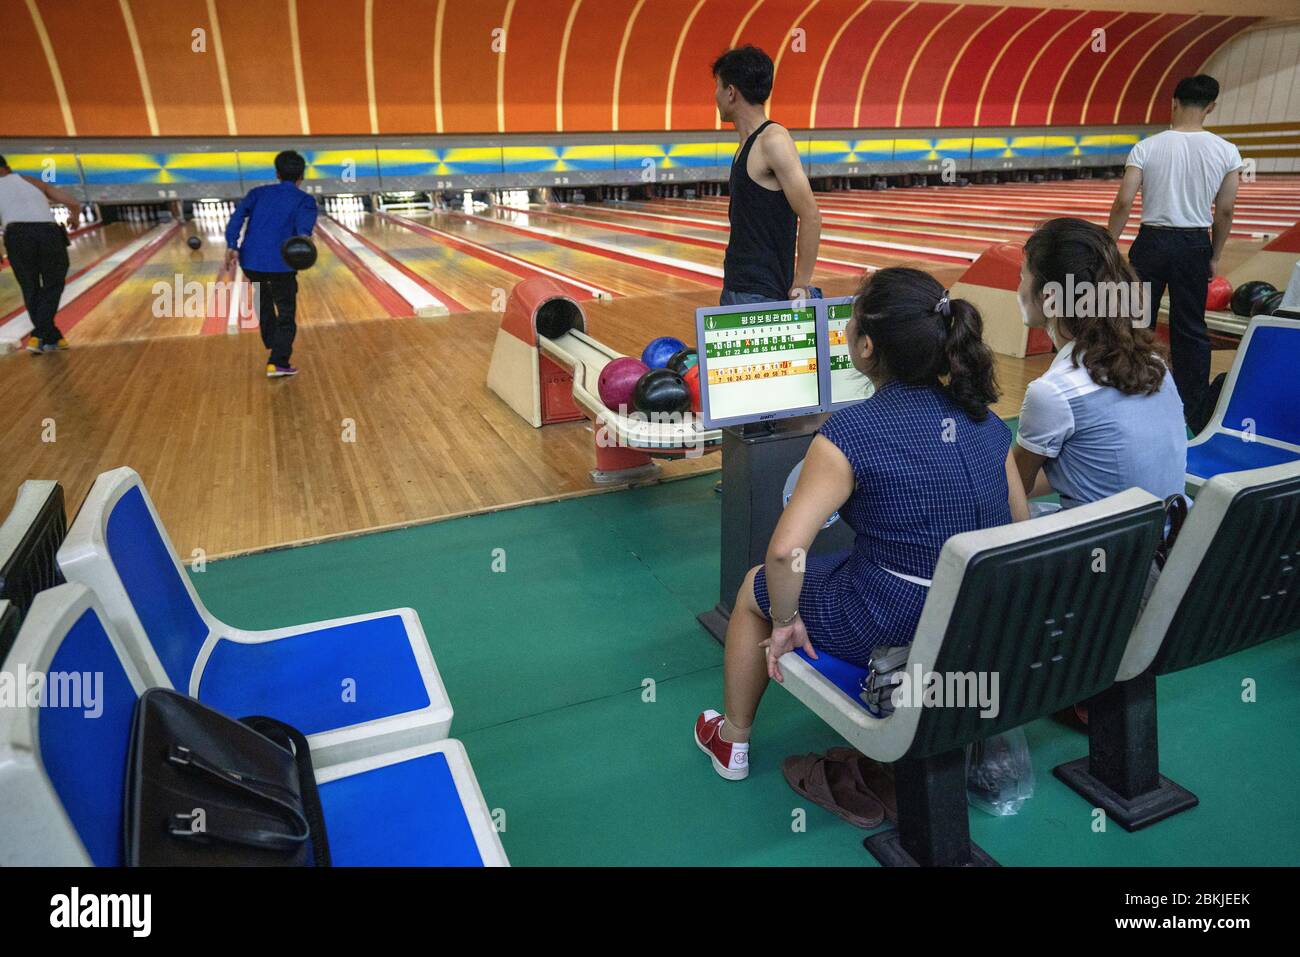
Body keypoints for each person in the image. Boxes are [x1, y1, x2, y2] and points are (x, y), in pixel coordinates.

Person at [693, 267, 1028, 780]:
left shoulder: (850, 432)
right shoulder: (982, 415)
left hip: (891, 616)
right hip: (980, 609)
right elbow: (1018, 523)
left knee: (752, 589)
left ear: (866, 348)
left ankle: (732, 741)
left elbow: (785, 554)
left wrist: (785, 623)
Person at [1013, 218, 1187, 511]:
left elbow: (1013, 487)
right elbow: (1089, 464)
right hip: (1167, 537)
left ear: (1049, 297)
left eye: (1022, 276)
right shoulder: (1153, 361)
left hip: (1106, 551)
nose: (1018, 288)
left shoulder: (1053, 393)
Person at [1107, 74, 1241, 419]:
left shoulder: (1147, 146)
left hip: (1151, 241)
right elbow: (1224, 210)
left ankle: (1130, 396)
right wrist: (1215, 254)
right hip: (1195, 242)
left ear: (1174, 102)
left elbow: (1124, 201)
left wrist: (1108, 243)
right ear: (1210, 107)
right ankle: (1190, 410)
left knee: (1136, 323)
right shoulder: (1227, 151)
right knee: (1191, 328)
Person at [712, 45, 822, 306]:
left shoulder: (773, 140)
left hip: (761, 293)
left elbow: (811, 215)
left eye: (717, 86)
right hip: (739, 286)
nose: (714, 95)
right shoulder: (746, 144)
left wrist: (802, 283)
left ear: (730, 92)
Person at [224, 150, 318, 378]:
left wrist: (231, 245)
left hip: (252, 260)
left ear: (277, 172)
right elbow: (303, 234)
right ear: (302, 175)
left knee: (262, 301)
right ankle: (278, 360)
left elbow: (236, 219)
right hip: (283, 264)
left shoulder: (257, 193)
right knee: (286, 313)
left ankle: (273, 343)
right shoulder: (305, 201)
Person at [0, 154, 82, 354]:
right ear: (7, 166)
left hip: (17, 235)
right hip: (49, 234)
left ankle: (39, 335)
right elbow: (73, 202)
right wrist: (75, 217)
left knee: (30, 286)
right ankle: (50, 334)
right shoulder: (31, 181)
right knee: (54, 283)